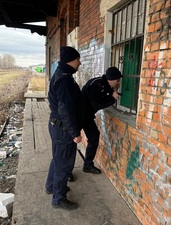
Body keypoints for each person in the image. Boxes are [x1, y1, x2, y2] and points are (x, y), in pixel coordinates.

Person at [45, 46, 83, 211]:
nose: (79, 62)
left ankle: (51, 186)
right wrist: (75, 132)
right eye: (77, 59)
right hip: (63, 129)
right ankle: (58, 199)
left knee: (57, 158)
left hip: (57, 126)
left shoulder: (61, 74)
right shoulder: (65, 80)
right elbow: (65, 110)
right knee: (64, 165)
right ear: (71, 60)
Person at [81, 66, 122, 174]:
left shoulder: (105, 85)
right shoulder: (96, 84)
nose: (118, 83)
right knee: (71, 141)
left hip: (87, 116)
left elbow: (104, 96)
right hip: (78, 115)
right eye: (118, 80)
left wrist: (113, 92)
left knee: (94, 137)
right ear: (112, 79)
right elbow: (98, 104)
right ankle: (66, 172)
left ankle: (88, 165)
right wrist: (113, 98)